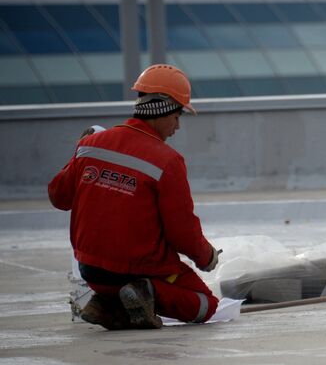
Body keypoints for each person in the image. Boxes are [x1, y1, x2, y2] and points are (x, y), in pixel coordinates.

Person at [48, 64, 220, 330]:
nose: (177, 125)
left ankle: (109, 305)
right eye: (177, 115)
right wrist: (206, 256)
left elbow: (59, 197)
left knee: (121, 287)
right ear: (163, 111)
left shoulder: (90, 145)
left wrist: (76, 153)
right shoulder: (168, 161)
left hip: (91, 270)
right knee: (205, 303)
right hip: (138, 269)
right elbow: (181, 230)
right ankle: (145, 290)